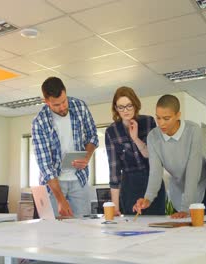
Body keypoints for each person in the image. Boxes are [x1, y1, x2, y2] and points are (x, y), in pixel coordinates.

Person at [32, 77, 98, 218]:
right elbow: (46, 167)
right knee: (54, 231)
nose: (62, 107)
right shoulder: (39, 122)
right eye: (56, 105)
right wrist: (61, 200)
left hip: (79, 178)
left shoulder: (79, 106)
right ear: (46, 101)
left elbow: (92, 136)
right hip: (54, 184)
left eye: (64, 101)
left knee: (84, 227)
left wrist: (86, 157)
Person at [133, 94, 206, 218]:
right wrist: (147, 198)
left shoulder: (193, 130)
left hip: (200, 184)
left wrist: (186, 208)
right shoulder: (153, 137)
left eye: (166, 118)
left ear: (178, 115)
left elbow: (193, 171)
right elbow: (155, 172)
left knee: (201, 228)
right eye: (158, 118)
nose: (161, 123)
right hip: (177, 187)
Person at [105, 87, 166, 216]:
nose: (125, 110)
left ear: (135, 104)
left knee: (157, 223)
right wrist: (114, 207)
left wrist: (136, 139)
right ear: (116, 108)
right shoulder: (112, 132)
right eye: (121, 107)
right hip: (130, 185)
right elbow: (114, 172)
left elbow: (153, 156)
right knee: (133, 227)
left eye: (129, 106)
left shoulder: (148, 122)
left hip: (152, 181)